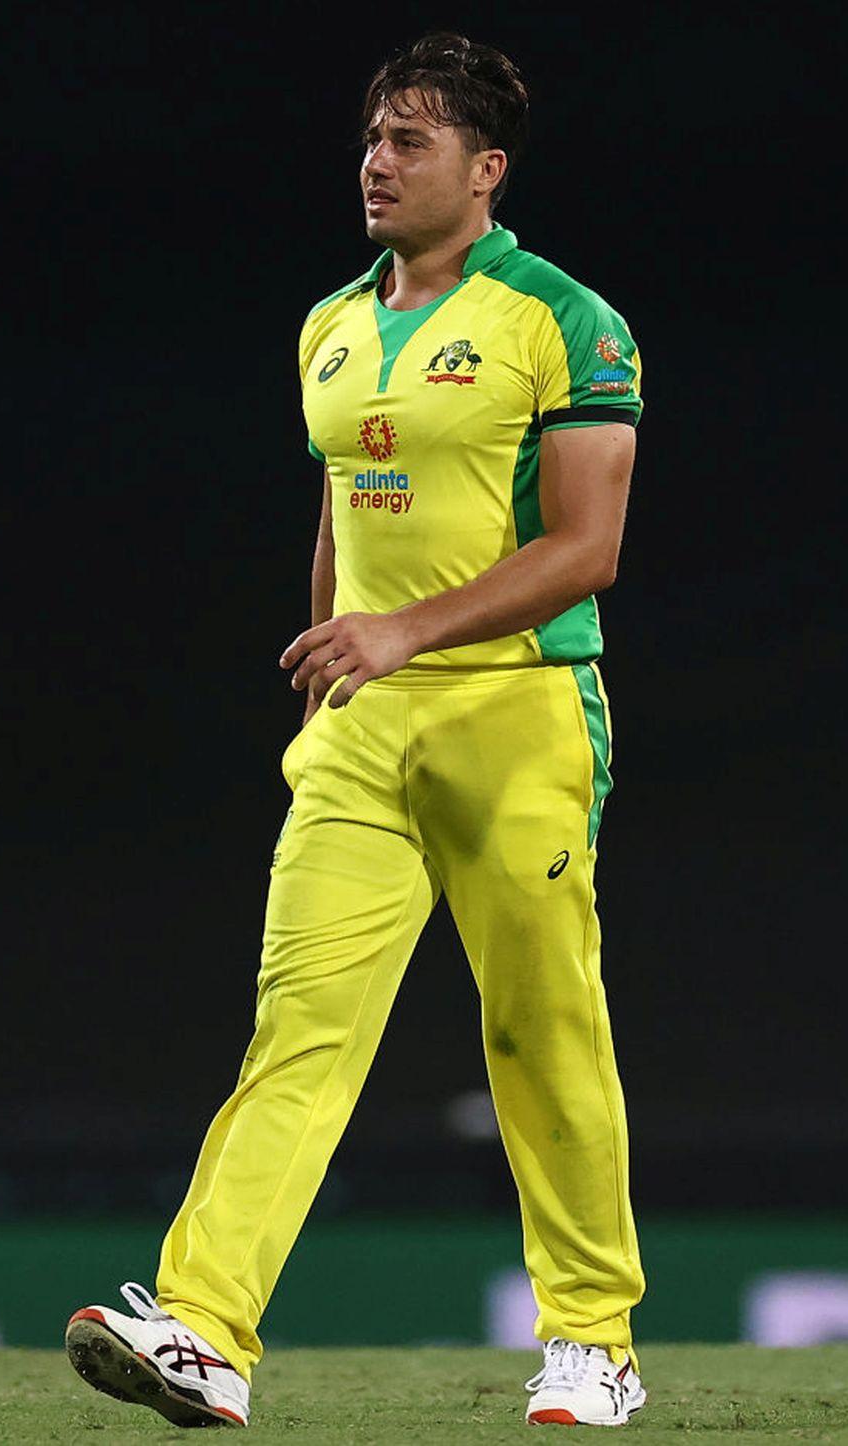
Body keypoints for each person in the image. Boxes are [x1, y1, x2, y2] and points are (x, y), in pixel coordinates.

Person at [65, 31, 646, 1429]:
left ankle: (593, 1338)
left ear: (486, 169)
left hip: (520, 715)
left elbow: (588, 547)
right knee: (299, 1033)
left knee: (541, 1025)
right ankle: (205, 1327)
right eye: (375, 138)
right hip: (364, 731)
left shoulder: (567, 319)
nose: (379, 164)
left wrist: (402, 631)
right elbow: (340, 501)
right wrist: (343, 639)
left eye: (414, 142)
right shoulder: (331, 323)